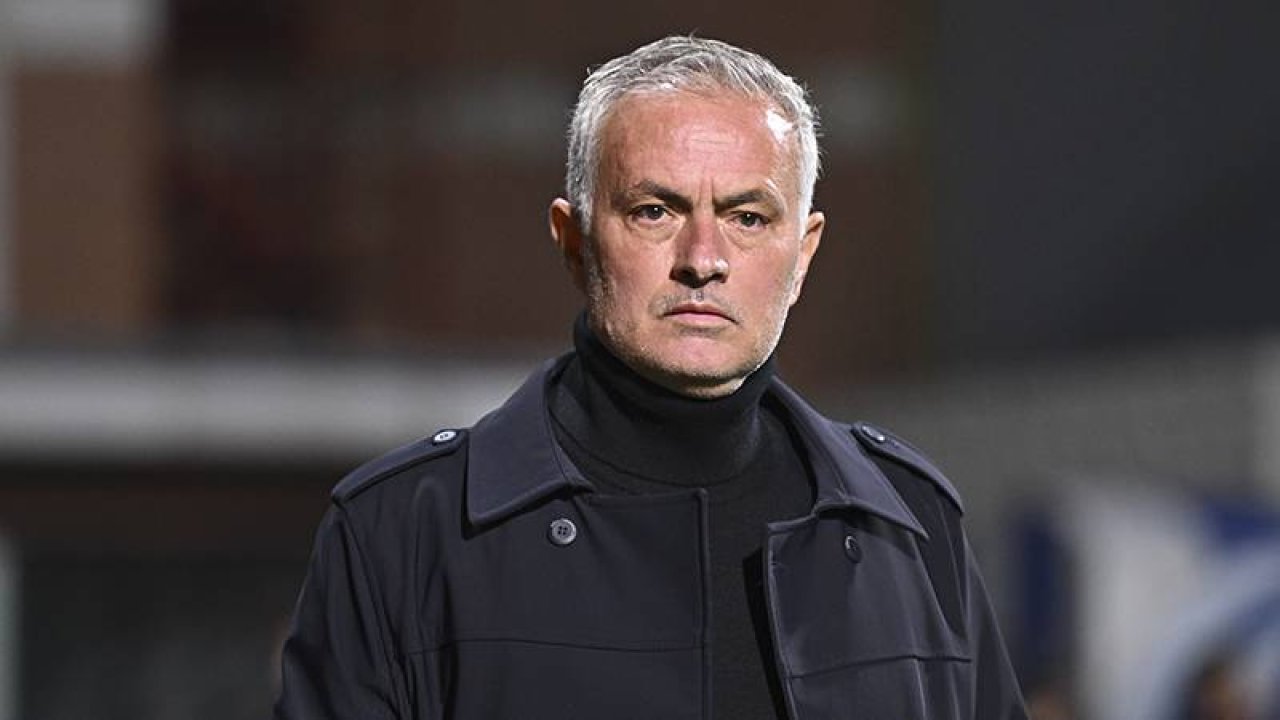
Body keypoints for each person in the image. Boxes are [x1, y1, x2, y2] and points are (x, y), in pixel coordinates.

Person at [275, 35, 1027, 719]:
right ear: (574, 241)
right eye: (655, 211)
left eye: (747, 217)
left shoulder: (910, 523)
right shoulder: (403, 535)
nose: (704, 259)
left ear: (802, 255)